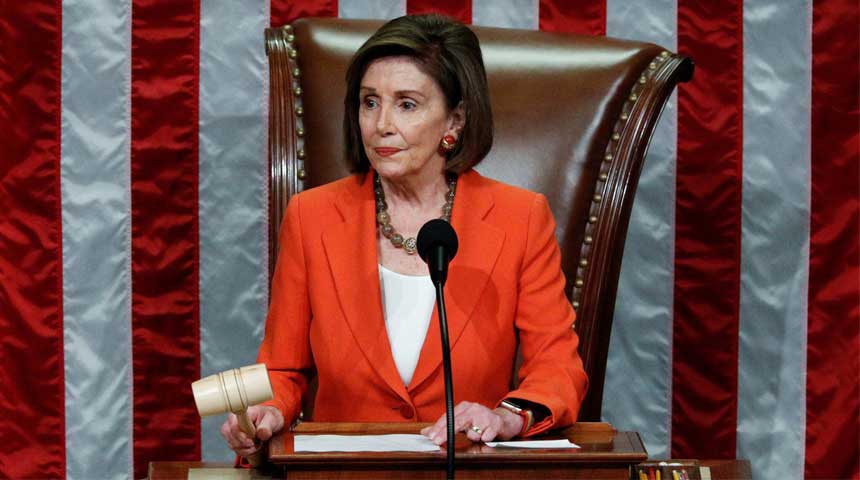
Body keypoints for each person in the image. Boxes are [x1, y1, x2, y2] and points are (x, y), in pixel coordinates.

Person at [221, 14, 588, 459]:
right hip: (344, 471)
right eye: (369, 102)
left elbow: (557, 366)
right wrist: (266, 410)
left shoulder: (520, 219)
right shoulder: (311, 217)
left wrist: (508, 416)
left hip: (464, 466)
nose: (381, 124)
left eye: (407, 104)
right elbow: (282, 369)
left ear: (455, 120)